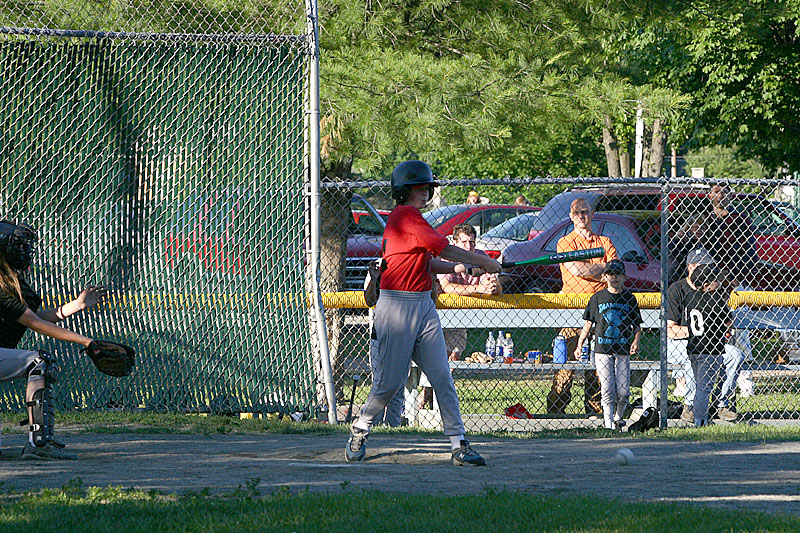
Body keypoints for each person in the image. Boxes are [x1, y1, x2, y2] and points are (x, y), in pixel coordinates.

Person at [345, 160, 501, 466]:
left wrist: (459, 266)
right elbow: (442, 248)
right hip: (396, 305)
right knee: (390, 383)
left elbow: (423, 261)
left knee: (442, 377)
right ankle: (361, 428)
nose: (428, 190)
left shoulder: (413, 219)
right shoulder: (405, 217)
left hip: (423, 304)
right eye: (425, 186)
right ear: (413, 189)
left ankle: (458, 443)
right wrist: (482, 262)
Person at [0, 220, 107, 459]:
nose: (25, 251)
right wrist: (87, 342)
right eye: (18, 246)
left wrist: (77, 305)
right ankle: (40, 444)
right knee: (39, 362)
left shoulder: (9, 281)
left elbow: (33, 316)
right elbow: (36, 324)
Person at [414, 224, 502, 409]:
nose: (468, 247)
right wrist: (479, 289)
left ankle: (438, 398)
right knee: (433, 358)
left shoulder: (481, 258)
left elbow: (493, 284)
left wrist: (494, 288)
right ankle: (424, 397)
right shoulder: (446, 258)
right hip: (438, 314)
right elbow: (448, 288)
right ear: (454, 242)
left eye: (471, 242)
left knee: (452, 356)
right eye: (463, 242)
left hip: (461, 317)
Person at [546, 199, 618, 415]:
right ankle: (555, 411)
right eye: (576, 213)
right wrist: (602, 267)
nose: (580, 216)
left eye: (584, 212)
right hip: (572, 309)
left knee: (599, 365)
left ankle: (595, 411)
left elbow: (615, 273)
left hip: (601, 308)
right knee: (566, 363)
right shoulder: (565, 242)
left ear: (592, 214)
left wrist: (600, 268)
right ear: (570, 216)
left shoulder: (604, 241)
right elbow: (576, 269)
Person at [666, 247, 751, 423]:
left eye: (710, 266)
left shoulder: (714, 289)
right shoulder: (676, 289)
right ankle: (690, 406)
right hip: (680, 342)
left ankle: (720, 404)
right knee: (694, 358)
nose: (709, 271)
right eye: (703, 266)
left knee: (735, 355)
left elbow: (726, 320)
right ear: (691, 267)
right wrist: (697, 331)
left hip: (709, 341)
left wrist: (712, 332)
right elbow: (670, 329)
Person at [575, 259, 642, 431]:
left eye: (618, 274)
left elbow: (636, 325)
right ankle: (608, 424)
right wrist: (580, 342)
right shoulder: (597, 298)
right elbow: (589, 323)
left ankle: (618, 418)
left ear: (624, 277)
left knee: (623, 392)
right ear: (605, 277)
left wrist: (635, 341)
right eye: (611, 274)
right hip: (602, 349)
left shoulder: (629, 298)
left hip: (622, 348)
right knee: (607, 389)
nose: (614, 278)